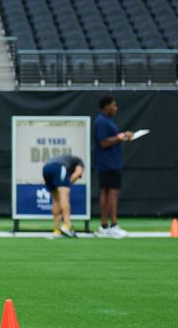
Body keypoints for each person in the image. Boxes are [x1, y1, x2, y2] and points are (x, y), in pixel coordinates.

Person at [93, 95, 133, 237]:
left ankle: (107, 226)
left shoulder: (108, 121)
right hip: (107, 163)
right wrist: (121, 137)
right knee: (110, 192)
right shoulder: (101, 121)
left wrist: (121, 137)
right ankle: (110, 225)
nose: (116, 108)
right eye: (114, 105)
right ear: (107, 106)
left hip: (112, 162)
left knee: (109, 192)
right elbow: (103, 142)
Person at [42, 153, 84, 238]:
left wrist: (65, 184)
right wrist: (67, 185)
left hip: (46, 168)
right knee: (64, 196)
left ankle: (57, 230)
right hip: (58, 167)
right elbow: (77, 174)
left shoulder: (65, 159)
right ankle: (67, 226)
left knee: (56, 200)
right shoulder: (80, 162)